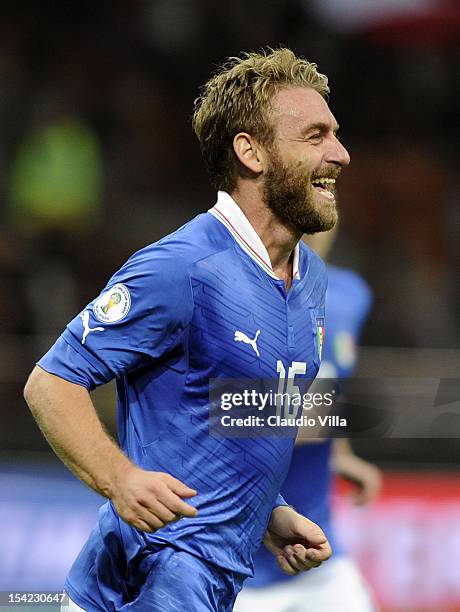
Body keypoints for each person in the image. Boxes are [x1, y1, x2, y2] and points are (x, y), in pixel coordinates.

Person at [23, 48, 350, 612]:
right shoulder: (184, 268)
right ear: (251, 153)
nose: (340, 154)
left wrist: (266, 513)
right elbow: (50, 383)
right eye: (315, 136)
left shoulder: (311, 279)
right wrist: (118, 478)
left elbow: (208, 421)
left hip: (213, 583)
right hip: (148, 582)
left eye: (336, 134)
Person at [235, 229, 381, 612]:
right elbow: (223, 417)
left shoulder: (351, 295)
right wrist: (327, 416)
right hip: (239, 563)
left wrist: (340, 453)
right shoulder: (232, 294)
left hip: (320, 553)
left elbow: (331, 381)